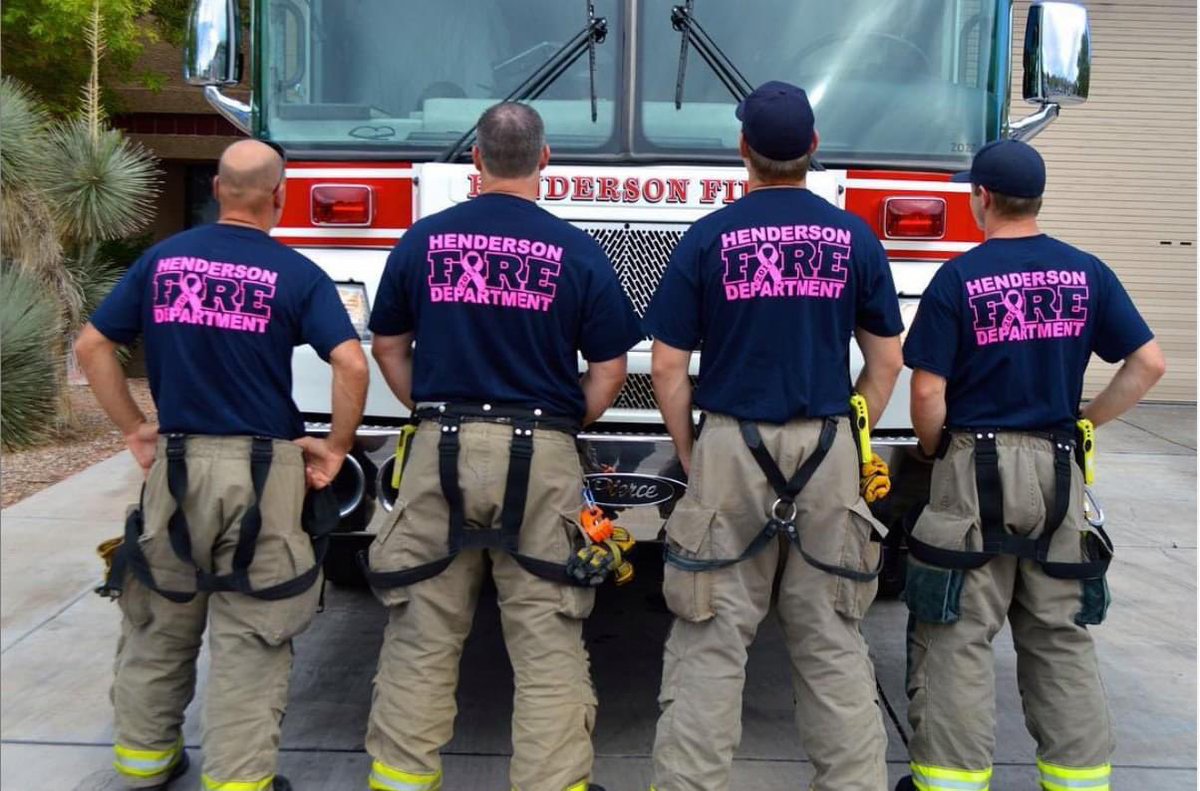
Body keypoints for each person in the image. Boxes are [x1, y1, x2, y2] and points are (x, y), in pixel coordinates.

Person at [362, 102, 642, 791]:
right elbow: (610, 367)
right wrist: (564, 423)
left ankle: (400, 776)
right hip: (542, 446)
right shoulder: (578, 251)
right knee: (547, 633)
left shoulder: (422, 241)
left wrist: (423, 406)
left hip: (440, 443)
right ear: (546, 160)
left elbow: (388, 345)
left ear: (476, 162)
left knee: (424, 625)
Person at [76, 139, 370, 791]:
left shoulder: (161, 261)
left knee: (159, 614)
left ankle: (145, 761)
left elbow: (94, 344)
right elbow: (351, 361)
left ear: (215, 187)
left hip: (176, 466)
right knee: (253, 626)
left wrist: (134, 428)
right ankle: (239, 779)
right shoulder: (295, 274)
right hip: (264, 473)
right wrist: (338, 447)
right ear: (280, 196)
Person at [644, 80, 905, 791]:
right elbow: (886, 361)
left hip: (732, 445)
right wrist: (855, 432)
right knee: (830, 639)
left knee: (710, 638)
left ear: (743, 152)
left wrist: (698, 453)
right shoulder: (854, 238)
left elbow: (668, 367)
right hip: (828, 451)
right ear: (813, 150)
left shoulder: (708, 238)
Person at [896, 139, 1166, 791]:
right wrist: (1086, 423)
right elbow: (1149, 364)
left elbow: (928, 392)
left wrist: (935, 453)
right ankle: (1079, 779)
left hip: (974, 463)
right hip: (1056, 465)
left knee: (955, 626)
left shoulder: (960, 279)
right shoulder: (1087, 273)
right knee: (1058, 630)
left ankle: (950, 781)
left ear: (981, 198)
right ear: (1037, 199)